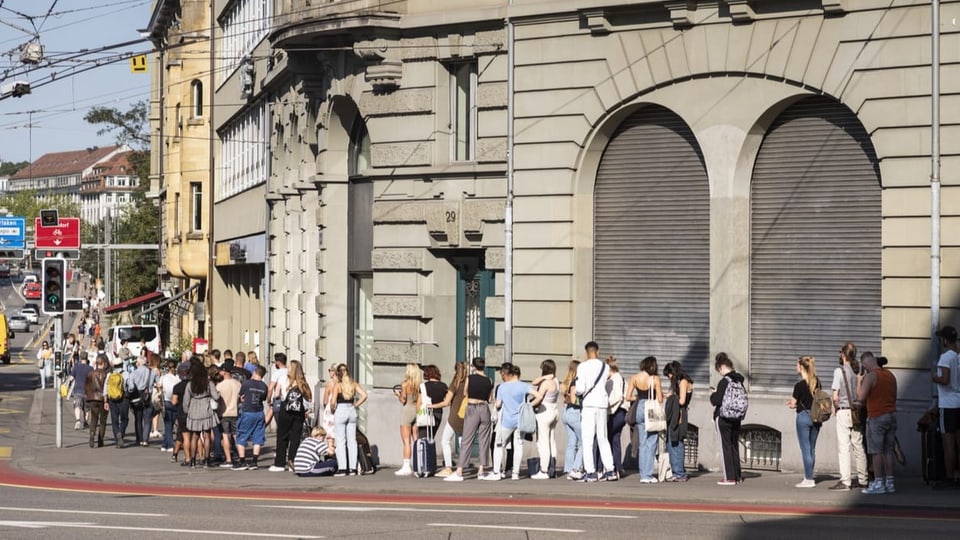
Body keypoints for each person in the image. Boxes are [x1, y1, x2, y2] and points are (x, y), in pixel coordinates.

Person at [444, 357, 494, 482]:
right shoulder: (489, 380)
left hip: (472, 408)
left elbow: (466, 393)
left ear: (474, 367)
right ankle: (481, 470)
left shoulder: (470, 378)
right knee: (484, 440)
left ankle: (460, 471)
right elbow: (490, 398)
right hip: (484, 408)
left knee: (467, 439)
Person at [489, 364, 542, 480]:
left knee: (499, 444)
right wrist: (528, 405)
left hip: (507, 421)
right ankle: (515, 473)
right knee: (518, 446)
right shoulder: (524, 386)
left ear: (510, 374)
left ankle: (496, 472)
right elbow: (539, 396)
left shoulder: (502, 387)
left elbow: (498, 404)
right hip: (520, 421)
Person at [575, 341, 616, 482]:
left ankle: (591, 472)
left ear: (586, 353)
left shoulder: (582, 366)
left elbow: (580, 388)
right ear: (597, 352)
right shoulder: (605, 367)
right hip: (602, 404)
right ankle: (610, 470)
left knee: (587, 439)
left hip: (589, 405)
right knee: (603, 437)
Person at [858, 352, 898, 494]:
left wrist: (859, 380)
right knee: (888, 450)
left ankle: (879, 482)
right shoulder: (890, 375)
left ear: (864, 364)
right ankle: (890, 482)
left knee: (876, 451)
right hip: (891, 415)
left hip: (876, 416)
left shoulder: (871, 376)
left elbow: (860, 397)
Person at [830, 342, 868, 490]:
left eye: (841, 352)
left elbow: (835, 396)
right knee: (858, 446)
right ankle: (863, 479)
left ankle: (845, 481)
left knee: (844, 447)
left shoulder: (839, 371)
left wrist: (835, 407)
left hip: (844, 411)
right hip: (858, 412)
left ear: (844, 355)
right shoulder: (859, 371)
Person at [271, 359, 312, 472]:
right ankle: (292, 462)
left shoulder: (284, 378)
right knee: (295, 437)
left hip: (286, 410)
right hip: (299, 412)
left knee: (282, 436)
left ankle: (279, 463)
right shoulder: (303, 382)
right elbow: (309, 398)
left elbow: (277, 394)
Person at [626, 356, 662, 483]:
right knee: (652, 441)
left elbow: (628, 397)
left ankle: (643, 475)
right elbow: (660, 399)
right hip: (650, 407)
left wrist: (638, 398)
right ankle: (648, 474)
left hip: (639, 407)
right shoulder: (655, 379)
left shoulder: (634, 378)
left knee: (642, 442)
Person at [787, 355, 822, 488]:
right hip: (816, 417)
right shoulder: (817, 382)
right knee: (812, 449)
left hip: (803, 417)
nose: (796, 367)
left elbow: (794, 403)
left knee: (805, 449)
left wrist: (792, 404)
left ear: (802, 367)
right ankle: (809, 475)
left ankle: (808, 478)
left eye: (797, 365)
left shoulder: (799, 385)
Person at [710, 352, 744, 485]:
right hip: (736, 417)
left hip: (723, 416)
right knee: (734, 445)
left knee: (725, 447)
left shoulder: (724, 381)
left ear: (722, 368)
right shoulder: (739, 380)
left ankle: (729, 477)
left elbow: (718, 400)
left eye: (719, 370)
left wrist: (713, 395)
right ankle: (737, 475)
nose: (720, 373)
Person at [933, 326, 960, 488]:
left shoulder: (946, 357)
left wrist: (935, 377)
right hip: (959, 402)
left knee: (948, 442)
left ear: (945, 340)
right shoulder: (959, 356)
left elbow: (945, 380)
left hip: (948, 404)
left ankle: (950, 477)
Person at [183, 357, 221, 468]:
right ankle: (206, 460)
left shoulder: (190, 384)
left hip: (194, 410)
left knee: (194, 436)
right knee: (207, 435)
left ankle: (193, 460)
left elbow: (186, 401)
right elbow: (216, 396)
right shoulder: (208, 383)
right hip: (206, 409)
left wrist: (187, 411)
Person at [431, 361, 467, 477]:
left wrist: (432, 406)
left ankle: (448, 468)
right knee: (463, 442)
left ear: (455, 371)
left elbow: (446, 402)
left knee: (445, 441)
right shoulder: (468, 383)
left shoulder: (454, 384)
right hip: (466, 416)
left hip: (454, 417)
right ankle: (461, 467)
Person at [331, 363, 368, 475]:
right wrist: (356, 404)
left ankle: (342, 468)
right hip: (351, 410)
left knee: (340, 441)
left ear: (338, 374)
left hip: (341, 410)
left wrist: (333, 410)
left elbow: (333, 402)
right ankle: (353, 468)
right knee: (352, 440)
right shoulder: (353, 384)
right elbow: (365, 395)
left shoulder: (338, 385)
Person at [530, 359, 561, 479]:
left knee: (543, 442)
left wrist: (529, 405)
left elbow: (538, 397)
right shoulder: (556, 381)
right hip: (554, 411)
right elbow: (535, 381)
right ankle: (552, 468)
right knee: (551, 440)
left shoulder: (546, 383)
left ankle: (544, 470)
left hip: (544, 412)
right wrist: (548, 376)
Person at [663, 361, 693, 483]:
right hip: (676, 414)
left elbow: (681, 401)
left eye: (669, 374)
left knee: (677, 442)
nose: (669, 377)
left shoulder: (683, 382)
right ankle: (676, 471)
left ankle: (680, 472)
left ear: (673, 373)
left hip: (679, 415)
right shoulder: (678, 383)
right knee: (672, 442)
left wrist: (671, 397)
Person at [234, 365, 268, 470]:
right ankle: (254, 462)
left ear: (254, 372)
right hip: (259, 412)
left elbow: (240, 396)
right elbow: (263, 399)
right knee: (258, 437)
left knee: (241, 436)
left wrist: (241, 401)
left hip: (248, 411)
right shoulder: (264, 386)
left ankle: (242, 461)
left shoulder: (247, 383)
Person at [393, 363, 422, 476]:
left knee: (406, 441)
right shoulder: (420, 384)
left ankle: (406, 466)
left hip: (407, 410)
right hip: (417, 410)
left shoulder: (405, 384)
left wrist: (397, 395)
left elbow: (403, 400)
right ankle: (418, 463)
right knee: (416, 439)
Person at [560, 359, 583, 480]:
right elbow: (574, 400)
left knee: (571, 443)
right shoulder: (575, 382)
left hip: (566, 412)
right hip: (575, 413)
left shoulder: (565, 382)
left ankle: (568, 469)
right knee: (584, 442)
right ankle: (576, 468)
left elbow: (565, 400)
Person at [216, 362, 243, 468]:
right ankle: (241, 457)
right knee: (236, 435)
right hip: (235, 412)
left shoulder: (220, 386)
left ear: (223, 372)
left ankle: (228, 460)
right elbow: (240, 399)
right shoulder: (237, 384)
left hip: (224, 413)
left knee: (225, 435)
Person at [126, 356, 155, 447]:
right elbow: (158, 383)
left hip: (137, 397)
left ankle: (139, 439)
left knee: (138, 418)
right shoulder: (152, 372)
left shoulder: (133, 373)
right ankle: (145, 439)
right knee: (147, 419)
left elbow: (130, 387)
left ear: (138, 363)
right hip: (148, 397)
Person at [83, 353, 109, 448]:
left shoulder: (91, 374)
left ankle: (92, 434)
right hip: (103, 399)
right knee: (103, 420)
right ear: (103, 364)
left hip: (92, 398)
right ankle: (100, 439)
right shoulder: (106, 374)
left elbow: (86, 386)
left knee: (94, 418)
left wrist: (87, 396)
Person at [104, 356, 130, 448]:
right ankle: (121, 433)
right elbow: (131, 387)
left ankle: (117, 438)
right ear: (122, 364)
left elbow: (105, 388)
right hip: (123, 399)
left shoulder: (109, 375)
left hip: (112, 400)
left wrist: (105, 400)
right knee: (124, 419)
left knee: (114, 420)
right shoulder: (125, 374)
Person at [170, 360, 191, 463]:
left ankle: (186, 457)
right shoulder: (193, 386)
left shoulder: (177, 387)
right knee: (193, 436)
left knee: (183, 435)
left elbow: (174, 402)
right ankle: (197, 456)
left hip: (181, 412)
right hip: (192, 412)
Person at [421, 365, 448, 438]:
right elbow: (447, 401)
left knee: (424, 437)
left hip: (425, 412)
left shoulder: (424, 386)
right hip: (438, 412)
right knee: (432, 436)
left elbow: (419, 400)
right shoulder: (443, 386)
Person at [158, 360, 180, 452]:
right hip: (175, 402)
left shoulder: (163, 377)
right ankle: (170, 445)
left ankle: (165, 444)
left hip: (166, 401)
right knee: (170, 424)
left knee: (168, 424)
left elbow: (159, 386)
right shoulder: (177, 378)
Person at [69, 351, 93, 430]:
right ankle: (85, 422)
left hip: (77, 390)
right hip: (87, 391)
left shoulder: (76, 367)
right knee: (87, 408)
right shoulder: (90, 368)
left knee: (77, 405)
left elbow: (71, 378)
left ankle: (78, 420)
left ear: (80, 358)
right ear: (87, 358)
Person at [264, 353, 289, 429]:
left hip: (279, 400)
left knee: (281, 426)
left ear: (278, 362)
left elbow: (270, 388)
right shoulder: (289, 371)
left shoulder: (277, 373)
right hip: (289, 400)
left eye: (275, 361)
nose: (275, 363)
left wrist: (268, 400)